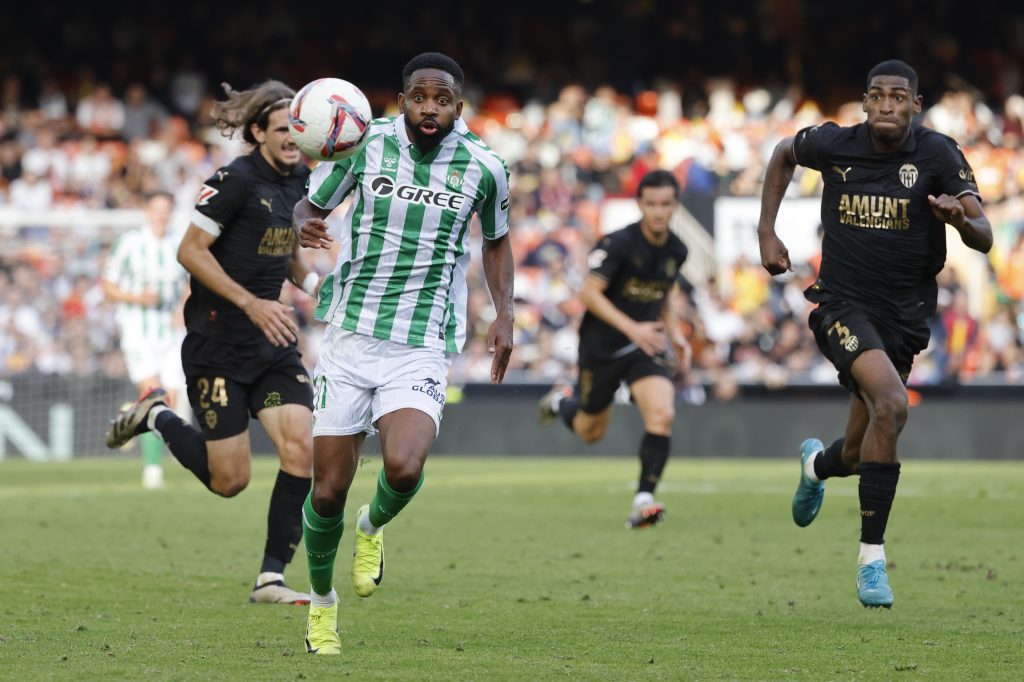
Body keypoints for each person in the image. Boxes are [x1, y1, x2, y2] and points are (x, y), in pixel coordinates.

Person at [292, 52, 514, 655]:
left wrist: (505, 314)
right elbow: (309, 205)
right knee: (327, 491)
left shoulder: (486, 167)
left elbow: (497, 243)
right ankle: (321, 605)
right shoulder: (364, 144)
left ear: (458, 107)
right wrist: (303, 222)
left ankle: (372, 526)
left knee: (405, 467)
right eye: (419, 97)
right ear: (401, 101)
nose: (429, 109)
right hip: (350, 335)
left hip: (422, 340)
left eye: (441, 100)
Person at [756, 59, 992, 608]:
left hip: (904, 318)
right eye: (878, 96)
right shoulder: (834, 144)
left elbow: (983, 234)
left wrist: (959, 219)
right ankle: (871, 561)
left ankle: (816, 466)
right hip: (841, 305)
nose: (887, 105)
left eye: (898, 97)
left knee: (861, 454)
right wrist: (766, 231)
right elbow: (783, 153)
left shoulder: (939, 155)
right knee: (892, 403)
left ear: (915, 104)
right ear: (864, 102)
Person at [105, 80, 321, 605]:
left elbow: (285, 252)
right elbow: (190, 251)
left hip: (272, 345)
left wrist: (317, 285)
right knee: (230, 481)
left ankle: (270, 578)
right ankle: (157, 414)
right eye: (282, 129)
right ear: (257, 133)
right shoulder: (234, 180)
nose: (292, 138)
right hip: (217, 346)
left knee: (301, 448)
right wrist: (251, 302)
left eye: (297, 128)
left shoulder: (301, 180)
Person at [537, 169, 691, 530]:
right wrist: (632, 328)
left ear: (675, 206)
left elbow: (664, 293)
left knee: (662, 414)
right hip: (602, 347)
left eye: (665, 204)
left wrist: (676, 334)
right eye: (651, 204)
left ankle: (643, 500)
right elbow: (589, 294)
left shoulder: (677, 250)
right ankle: (561, 402)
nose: (658, 212)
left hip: (644, 345)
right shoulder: (618, 243)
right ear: (640, 204)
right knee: (590, 432)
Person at [101, 191, 187, 489]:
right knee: (156, 397)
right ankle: (152, 470)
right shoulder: (129, 244)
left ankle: (131, 415)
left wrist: (184, 306)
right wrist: (137, 298)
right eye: (156, 209)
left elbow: (192, 280)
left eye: (166, 209)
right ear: (147, 212)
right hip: (138, 330)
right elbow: (108, 286)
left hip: (172, 332)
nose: (161, 215)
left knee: (169, 402)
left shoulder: (179, 242)